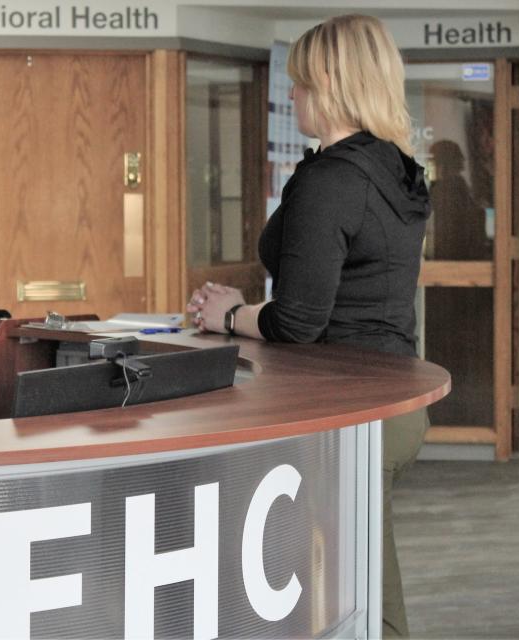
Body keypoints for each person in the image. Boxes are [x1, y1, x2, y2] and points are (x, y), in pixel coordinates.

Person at [186, 15, 430, 638]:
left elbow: (297, 321)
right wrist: (245, 309)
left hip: (347, 407)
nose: (291, 94)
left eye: (298, 82)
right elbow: (333, 290)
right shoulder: (392, 168)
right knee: (367, 572)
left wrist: (228, 316)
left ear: (326, 79)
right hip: (392, 401)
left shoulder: (333, 179)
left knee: (359, 588)